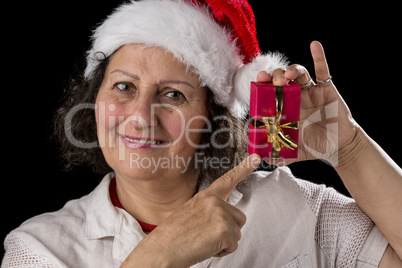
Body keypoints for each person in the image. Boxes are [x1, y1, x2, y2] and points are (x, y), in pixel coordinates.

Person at [2, 0, 401, 267]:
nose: (141, 116)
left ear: (212, 118)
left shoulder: (296, 206)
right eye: (124, 87)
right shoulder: (38, 249)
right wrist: (158, 257)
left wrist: (349, 149)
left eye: (173, 94)